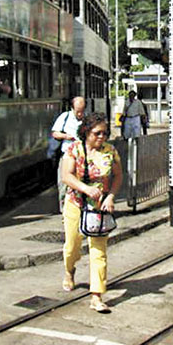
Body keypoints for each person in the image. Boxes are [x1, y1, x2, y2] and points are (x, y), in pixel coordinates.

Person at [60, 112, 122, 313]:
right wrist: (86, 189)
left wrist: (111, 196)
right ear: (86, 132)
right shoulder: (74, 150)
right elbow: (66, 176)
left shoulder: (110, 151)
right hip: (76, 204)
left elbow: (118, 176)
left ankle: (97, 295)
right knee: (72, 247)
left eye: (105, 133)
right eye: (97, 133)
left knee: (99, 252)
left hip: (99, 209)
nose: (102, 137)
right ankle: (70, 271)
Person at [51, 96, 86, 209]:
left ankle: (80, 208)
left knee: (81, 183)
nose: (80, 114)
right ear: (72, 108)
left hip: (82, 156)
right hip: (67, 155)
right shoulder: (65, 117)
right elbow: (55, 133)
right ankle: (64, 210)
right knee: (63, 183)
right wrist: (66, 136)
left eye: (82, 111)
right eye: (78, 111)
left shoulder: (87, 119)